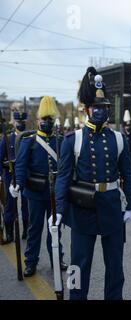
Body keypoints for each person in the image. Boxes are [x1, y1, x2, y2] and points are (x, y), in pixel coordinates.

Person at [54, 67, 131, 300]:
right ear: (87, 109)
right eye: (97, 107)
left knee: (115, 268)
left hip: (111, 207)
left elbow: (128, 174)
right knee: (78, 265)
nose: (101, 111)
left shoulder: (119, 139)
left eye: (104, 107)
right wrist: (60, 210)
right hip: (82, 209)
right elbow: (63, 176)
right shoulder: (74, 140)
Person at [11, 96, 66, 277]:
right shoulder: (30, 140)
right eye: (44, 119)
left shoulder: (59, 140)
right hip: (35, 192)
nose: (47, 122)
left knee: (55, 229)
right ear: (38, 120)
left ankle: (57, 259)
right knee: (35, 229)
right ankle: (31, 262)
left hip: (54, 193)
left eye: (50, 119)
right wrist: (18, 184)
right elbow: (20, 165)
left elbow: (65, 166)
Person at [0, 111, 30, 243]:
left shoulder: (29, 137)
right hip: (10, 176)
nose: (21, 124)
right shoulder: (7, 138)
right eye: (19, 122)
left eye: (23, 122)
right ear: (14, 123)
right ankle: (10, 232)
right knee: (10, 206)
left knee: (26, 205)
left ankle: (27, 231)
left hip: (26, 177)